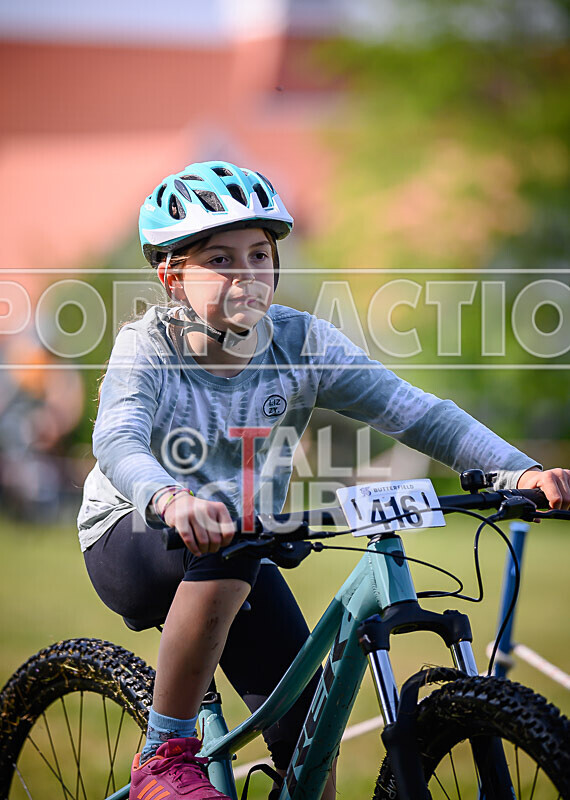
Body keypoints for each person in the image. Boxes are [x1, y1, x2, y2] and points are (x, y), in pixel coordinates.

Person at [78, 160, 570, 800]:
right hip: (133, 533)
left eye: (259, 255)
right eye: (221, 260)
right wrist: (171, 499)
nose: (247, 275)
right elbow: (118, 439)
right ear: (172, 276)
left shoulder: (301, 343)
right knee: (230, 548)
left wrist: (520, 469)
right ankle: (163, 754)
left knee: (311, 746)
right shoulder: (147, 345)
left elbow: (417, 413)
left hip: (242, 547)